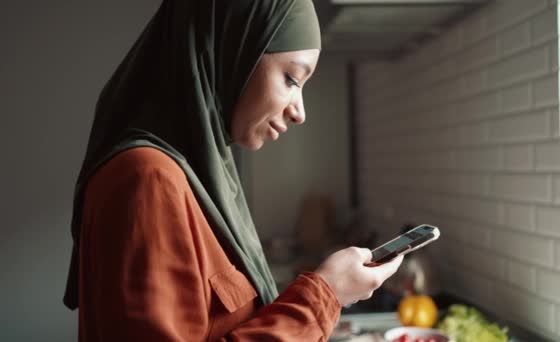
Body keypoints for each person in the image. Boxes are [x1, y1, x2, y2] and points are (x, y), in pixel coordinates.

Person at [62, 0, 404, 341]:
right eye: (291, 78)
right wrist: (324, 295)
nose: (299, 112)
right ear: (229, 50)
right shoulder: (147, 179)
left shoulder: (194, 177)